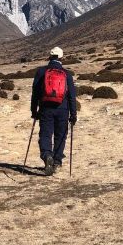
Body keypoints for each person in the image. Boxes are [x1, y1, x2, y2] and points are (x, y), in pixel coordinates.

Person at [31, 47, 77, 176]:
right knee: (60, 135)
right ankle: (57, 161)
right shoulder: (66, 74)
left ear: (50, 57)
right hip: (63, 109)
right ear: (61, 58)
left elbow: (35, 93)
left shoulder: (41, 72)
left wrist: (34, 110)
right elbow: (72, 96)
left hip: (46, 108)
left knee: (45, 134)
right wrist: (73, 114)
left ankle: (47, 156)